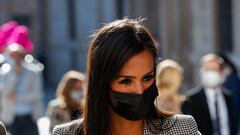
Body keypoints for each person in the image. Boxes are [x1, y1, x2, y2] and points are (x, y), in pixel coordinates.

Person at [53, 18, 201, 135]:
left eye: (147, 78)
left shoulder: (182, 129)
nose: (139, 91)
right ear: (102, 83)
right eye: (126, 81)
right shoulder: (66, 133)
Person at [0, 25, 43, 135]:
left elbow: (36, 94)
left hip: (29, 116)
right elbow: (5, 93)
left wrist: (17, 97)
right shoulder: (5, 72)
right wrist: (14, 76)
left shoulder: (32, 71)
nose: (15, 58)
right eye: (12, 55)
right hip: (11, 116)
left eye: (17, 55)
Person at [182, 53, 238, 135]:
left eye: (214, 70)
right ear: (201, 72)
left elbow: (233, 124)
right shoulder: (191, 99)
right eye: (207, 70)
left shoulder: (228, 97)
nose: (211, 73)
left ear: (221, 72)